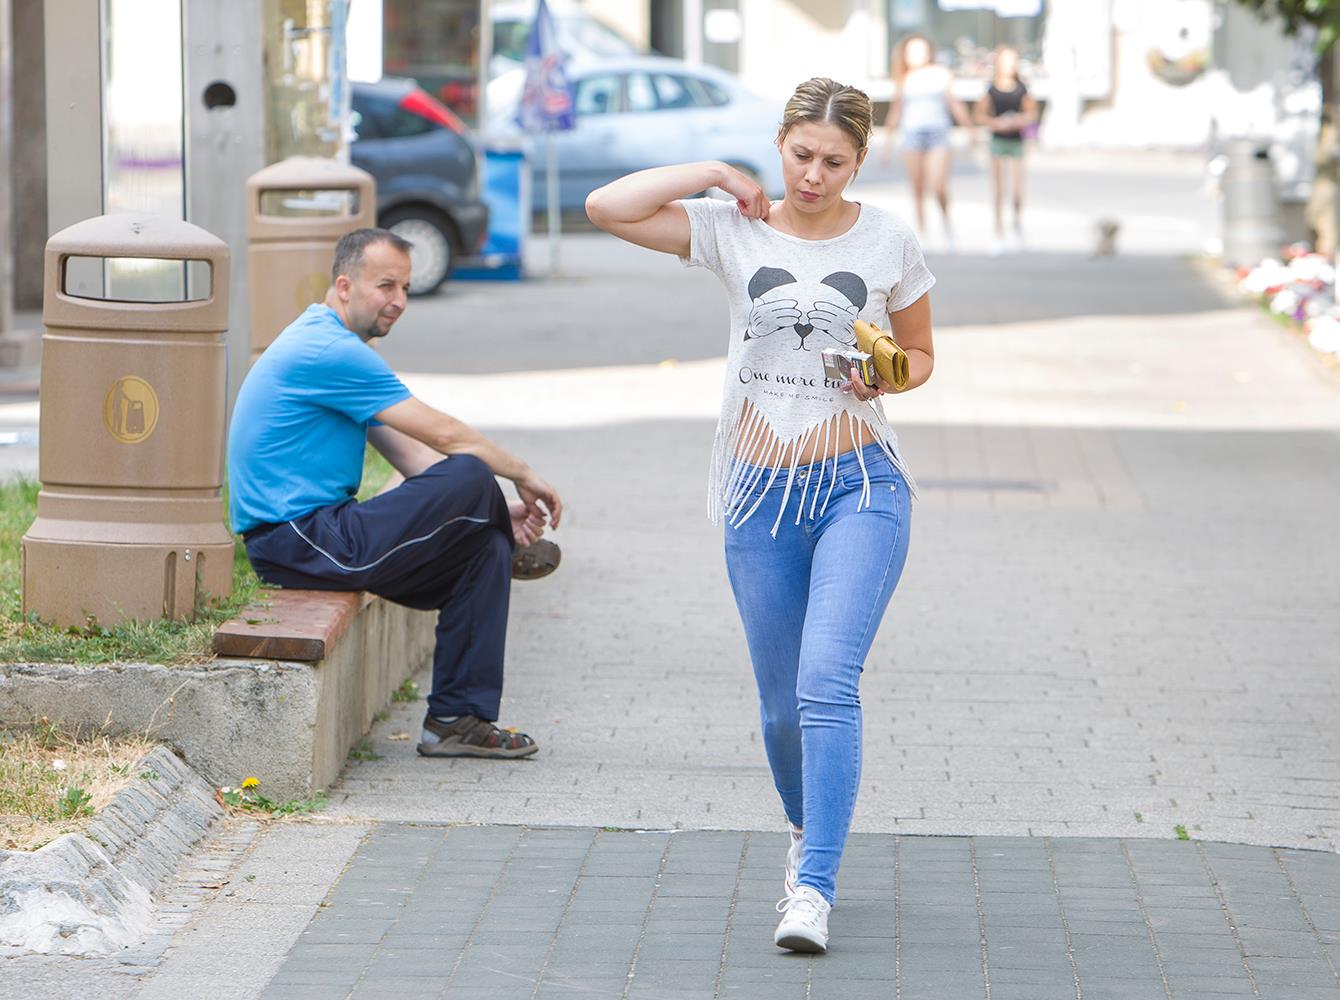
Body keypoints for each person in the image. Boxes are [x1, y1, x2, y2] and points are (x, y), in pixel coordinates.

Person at [584, 77, 935, 954]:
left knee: (825, 683)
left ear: (861, 161)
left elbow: (923, 354)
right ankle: (803, 831)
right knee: (781, 712)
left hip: (859, 484)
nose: (814, 175)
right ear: (779, 143)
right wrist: (713, 172)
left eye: (834, 162)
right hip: (758, 496)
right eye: (801, 155)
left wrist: (886, 375)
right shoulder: (732, 228)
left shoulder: (889, 239)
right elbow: (606, 207)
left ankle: (813, 889)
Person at [226, 228, 563, 760]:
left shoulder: (336, 348)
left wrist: (492, 517)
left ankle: (456, 720)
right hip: (298, 539)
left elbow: (416, 459)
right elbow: (447, 437)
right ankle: (501, 533)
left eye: (405, 288)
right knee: (472, 473)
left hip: (322, 534)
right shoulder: (329, 350)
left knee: (485, 550)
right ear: (344, 286)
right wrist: (521, 475)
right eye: (386, 286)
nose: (399, 301)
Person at [883, 34, 973, 250]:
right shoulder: (904, 77)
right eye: (911, 51)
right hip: (912, 135)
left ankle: (946, 222)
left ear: (929, 52)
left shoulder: (941, 74)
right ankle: (922, 233)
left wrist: (969, 128)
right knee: (917, 188)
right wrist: (887, 145)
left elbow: (954, 103)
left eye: (920, 50)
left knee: (938, 184)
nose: (916, 55)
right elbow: (896, 111)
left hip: (938, 134)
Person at [975, 46, 1038, 254]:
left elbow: (1032, 114)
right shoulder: (991, 89)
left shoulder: (1021, 89)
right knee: (998, 189)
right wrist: (996, 123)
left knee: (1017, 189)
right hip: (998, 140)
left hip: (1016, 140)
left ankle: (1017, 223)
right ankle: (998, 232)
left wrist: (1018, 120)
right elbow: (980, 115)